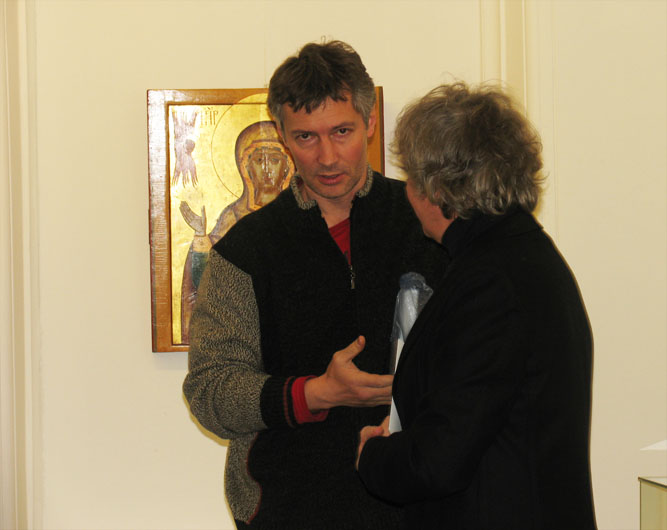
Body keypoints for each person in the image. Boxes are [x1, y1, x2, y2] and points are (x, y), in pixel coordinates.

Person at [182, 40, 448, 529]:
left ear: (370, 122)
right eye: (306, 137)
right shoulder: (243, 252)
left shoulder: (429, 223)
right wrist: (316, 393)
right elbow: (210, 392)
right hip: (287, 511)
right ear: (282, 135)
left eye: (342, 132)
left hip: (420, 507)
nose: (327, 157)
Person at [356, 82, 597, 529]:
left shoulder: (489, 283)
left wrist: (374, 455)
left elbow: (440, 461)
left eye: (412, 178)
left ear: (438, 189)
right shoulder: (528, 258)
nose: (408, 192)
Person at [179, 121, 295, 341]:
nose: (267, 169)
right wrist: (201, 239)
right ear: (246, 168)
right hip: (239, 331)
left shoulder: (301, 215)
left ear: (288, 167)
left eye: (275, 160)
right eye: (259, 160)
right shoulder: (231, 218)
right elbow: (209, 281)